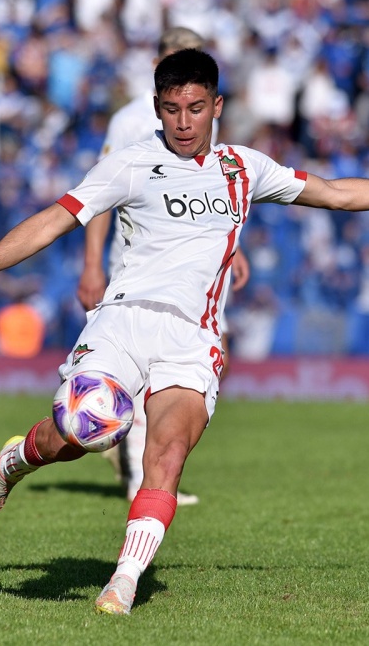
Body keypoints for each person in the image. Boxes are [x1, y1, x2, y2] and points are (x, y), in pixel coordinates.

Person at [0, 49, 369, 615]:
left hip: (193, 338)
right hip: (123, 320)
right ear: (156, 109)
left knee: (166, 454)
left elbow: (337, 193)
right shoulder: (130, 162)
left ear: (216, 106)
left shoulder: (244, 167)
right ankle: (15, 461)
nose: (184, 122)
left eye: (196, 108)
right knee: (82, 432)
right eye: (171, 110)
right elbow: (55, 218)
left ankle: (123, 581)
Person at [77, 26, 250, 506]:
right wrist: (92, 264)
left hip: (195, 273)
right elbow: (99, 196)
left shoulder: (198, 119)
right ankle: (140, 476)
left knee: (206, 366)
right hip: (141, 268)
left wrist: (231, 247)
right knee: (142, 373)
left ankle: (149, 465)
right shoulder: (131, 121)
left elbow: (214, 192)